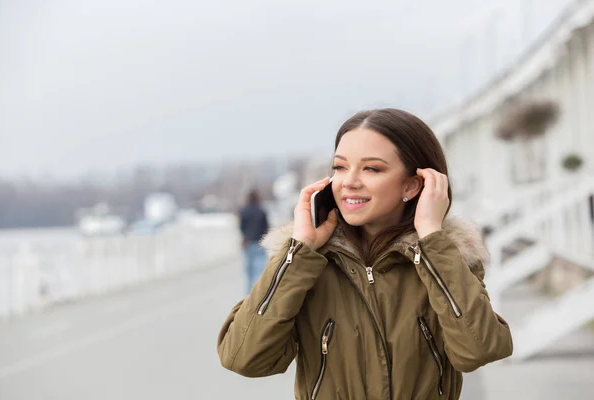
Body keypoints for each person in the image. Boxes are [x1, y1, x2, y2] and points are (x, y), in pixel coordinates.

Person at [218, 109, 513, 399]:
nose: (349, 181)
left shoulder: (446, 258)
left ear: (412, 184)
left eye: (371, 168)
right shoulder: (307, 263)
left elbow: (478, 350)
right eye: (340, 167)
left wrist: (432, 241)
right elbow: (243, 357)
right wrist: (299, 251)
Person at [238, 189, 269, 294]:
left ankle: (249, 295)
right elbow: (266, 228)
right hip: (260, 243)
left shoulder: (243, 211)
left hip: (248, 243)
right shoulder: (261, 211)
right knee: (259, 271)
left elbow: (241, 227)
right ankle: (259, 294)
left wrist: (245, 236)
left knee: (249, 273)